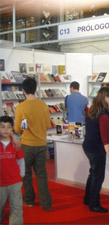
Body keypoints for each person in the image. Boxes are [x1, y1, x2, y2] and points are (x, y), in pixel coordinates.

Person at [14, 77, 52, 211]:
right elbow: (48, 125)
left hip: (27, 145)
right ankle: (46, 204)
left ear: (23, 90)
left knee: (27, 174)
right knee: (42, 174)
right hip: (42, 144)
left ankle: (29, 200)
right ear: (35, 89)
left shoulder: (21, 107)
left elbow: (18, 129)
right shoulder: (43, 105)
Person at [83, 87, 109, 213]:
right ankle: (94, 204)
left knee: (93, 173)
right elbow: (105, 140)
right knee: (98, 177)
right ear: (105, 98)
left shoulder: (94, 111)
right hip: (96, 148)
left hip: (89, 146)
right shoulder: (103, 116)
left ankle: (87, 199)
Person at [0, 116, 25, 225]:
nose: (6, 130)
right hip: (0, 183)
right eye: (2, 127)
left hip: (15, 181)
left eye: (9, 127)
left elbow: (21, 160)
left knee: (16, 207)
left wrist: (21, 176)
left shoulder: (16, 143)